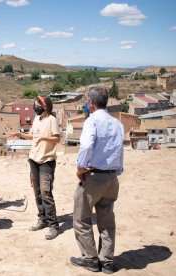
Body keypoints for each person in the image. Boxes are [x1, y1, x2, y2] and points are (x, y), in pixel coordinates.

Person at [70, 86, 124, 274]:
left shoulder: (92, 121)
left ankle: (91, 259)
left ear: (91, 103)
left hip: (93, 176)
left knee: (81, 218)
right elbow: (119, 150)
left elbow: (85, 145)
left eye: (87, 100)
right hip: (112, 177)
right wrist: (118, 171)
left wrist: (80, 167)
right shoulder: (117, 123)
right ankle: (107, 262)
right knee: (107, 220)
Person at [8, 96, 61, 240]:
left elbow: (57, 138)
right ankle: (42, 219)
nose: (35, 107)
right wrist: (20, 135)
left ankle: (53, 226)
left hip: (46, 161)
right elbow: (34, 136)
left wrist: (45, 138)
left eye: (38, 105)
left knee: (46, 193)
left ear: (45, 106)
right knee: (37, 191)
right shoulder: (37, 119)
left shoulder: (52, 120)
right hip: (33, 159)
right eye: (35, 104)